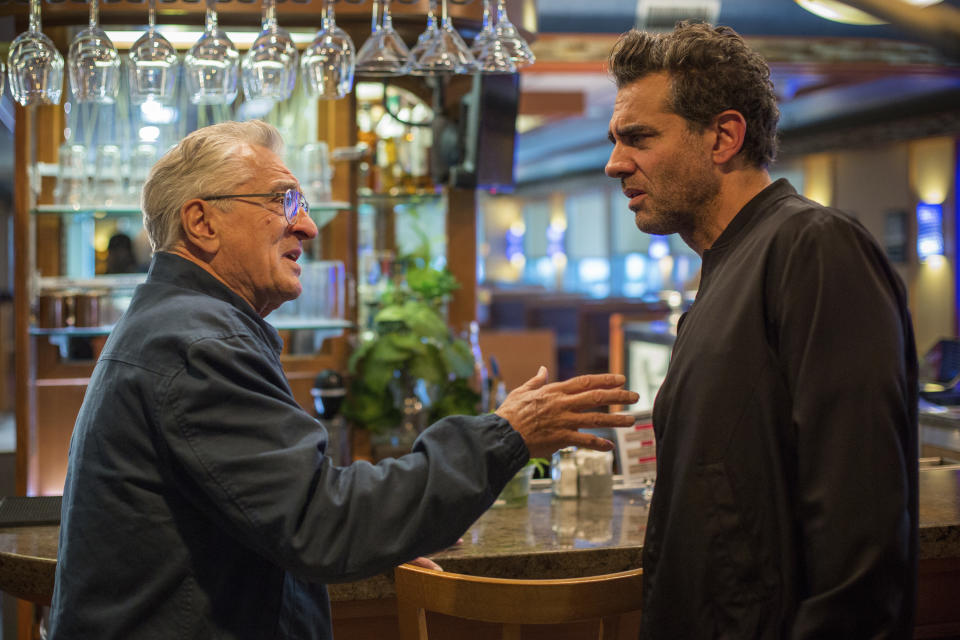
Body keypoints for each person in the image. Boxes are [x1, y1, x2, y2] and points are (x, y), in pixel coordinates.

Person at [48, 120, 639, 638]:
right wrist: (505, 434)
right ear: (202, 222)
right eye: (283, 201)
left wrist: (385, 540)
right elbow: (322, 522)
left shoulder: (185, 324)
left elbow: (275, 516)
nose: (305, 225)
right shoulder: (199, 342)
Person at [604, 22, 917, 639]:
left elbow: (861, 527)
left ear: (723, 137)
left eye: (638, 138)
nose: (615, 164)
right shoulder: (728, 264)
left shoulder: (814, 246)